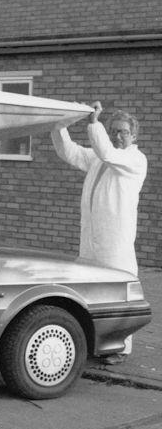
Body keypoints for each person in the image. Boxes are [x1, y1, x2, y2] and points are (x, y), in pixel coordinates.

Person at [51, 101, 147, 365]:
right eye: (113, 130)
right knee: (90, 292)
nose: (117, 136)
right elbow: (69, 152)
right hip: (91, 239)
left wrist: (93, 122)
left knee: (119, 294)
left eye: (123, 132)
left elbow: (106, 151)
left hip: (115, 243)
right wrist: (60, 124)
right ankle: (97, 342)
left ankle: (120, 347)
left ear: (134, 136)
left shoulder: (135, 160)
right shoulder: (98, 159)